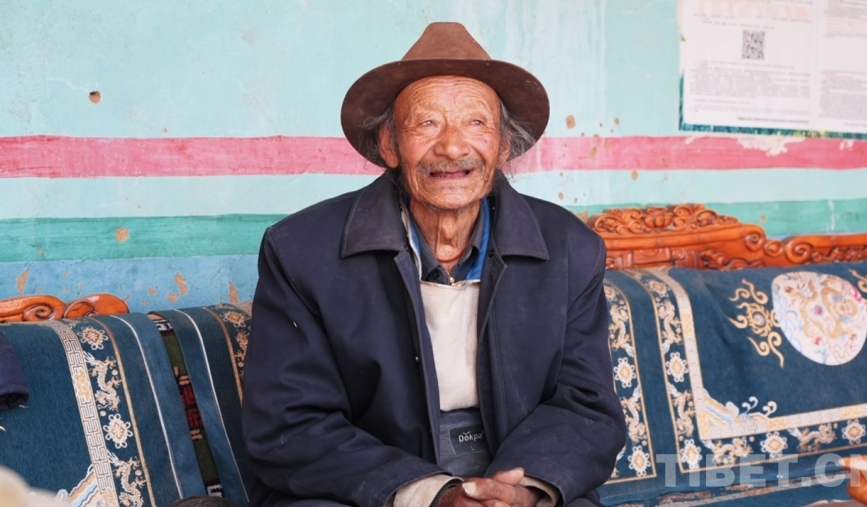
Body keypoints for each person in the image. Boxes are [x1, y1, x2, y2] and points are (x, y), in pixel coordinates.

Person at [241, 22, 626, 507]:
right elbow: (289, 425)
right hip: (370, 485)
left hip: (518, 472)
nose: (452, 146)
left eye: (476, 123)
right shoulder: (301, 250)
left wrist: (520, 491)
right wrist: (432, 494)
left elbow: (585, 407)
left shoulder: (570, 248)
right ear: (389, 145)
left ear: (504, 145)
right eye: (426, 123)